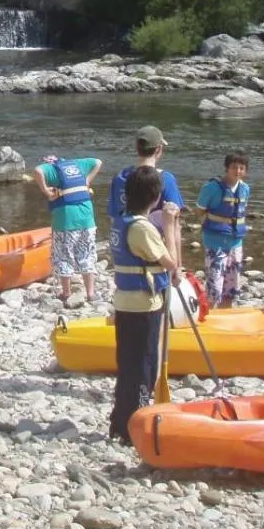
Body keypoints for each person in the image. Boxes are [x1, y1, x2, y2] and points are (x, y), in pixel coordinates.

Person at [108, 165, 180, 443]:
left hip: (126, 303)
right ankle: (134, 425)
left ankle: (120, 423)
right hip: (143, 306)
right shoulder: (141, 228)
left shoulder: (121, 221)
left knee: (127, 364)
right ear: (154, 197)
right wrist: (171, 225)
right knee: (143, 367)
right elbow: (171, 263)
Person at [108, 126, 185, 263]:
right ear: (158, 149)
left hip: (127, 253)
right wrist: (177, 265)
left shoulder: (120, 178)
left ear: (136, 147)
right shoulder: (165, 179)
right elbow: (174, 225)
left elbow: (114, 219)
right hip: (159, 256)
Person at [33, 154, 103, 303]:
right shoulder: (78, 164)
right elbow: (98, 162)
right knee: (87, 254)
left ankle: (66, 293)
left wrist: (46, 191)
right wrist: (87, 180)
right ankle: (91, 294)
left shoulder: (50, 169)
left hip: (65, 219)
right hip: (87, 217)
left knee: (64, 255)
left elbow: (37, 171)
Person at [195, 152, 251, 308]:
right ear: (226, 168)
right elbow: (199, 210)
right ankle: (209, 317)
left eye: (242, 168)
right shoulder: (212, 188)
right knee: (214, 288)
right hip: (215, 243)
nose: (238, 171)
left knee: (231, 289)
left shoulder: (245, 189)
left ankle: (225, 316)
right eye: (234, 167)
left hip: (235, 243)